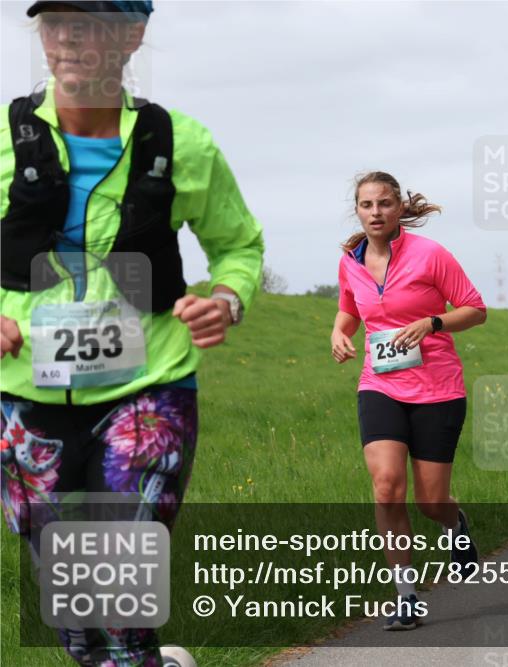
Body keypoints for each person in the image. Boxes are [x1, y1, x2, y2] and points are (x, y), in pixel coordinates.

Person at [1, 2, 264, 665]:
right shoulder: (5, 142)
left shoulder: (184, 143)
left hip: (150, 391)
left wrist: (226, 299)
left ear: (132, 35)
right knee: (77, 617)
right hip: (24, 399)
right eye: (57, 21)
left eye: (93, 21)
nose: (71, 38)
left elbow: (238, 247)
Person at [332, 171, 487, 629]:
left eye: (384, 203)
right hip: (380, 386)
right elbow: (347, 312)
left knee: (430, 502)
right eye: (366, 205)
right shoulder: (349, 261)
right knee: (386, 486)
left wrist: (433, 324)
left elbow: (476, 309)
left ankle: (454, 525)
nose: (375, 212)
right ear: (357, 210)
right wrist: (339, 336)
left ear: (399, 207)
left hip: (438, 388)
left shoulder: (430, 255)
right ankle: (406, 596)